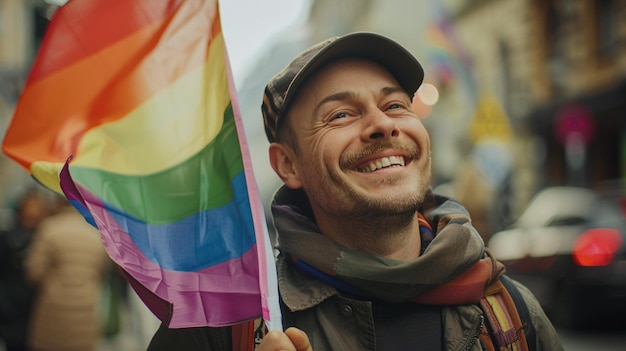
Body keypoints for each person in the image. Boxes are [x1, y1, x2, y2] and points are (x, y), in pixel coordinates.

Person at [148, 32, 563, 350]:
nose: (383, 124)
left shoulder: (511, 311)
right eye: (341, 114)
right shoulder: (219, 324)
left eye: (396, 105)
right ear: (288, 164)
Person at [24, 197, 110, 351]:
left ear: (59, 204)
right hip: (85, 307)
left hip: (53, 311)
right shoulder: (97, 232)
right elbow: (102, 271)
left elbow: (34, 272)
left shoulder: (49, 227)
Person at [0, 190, 49, 351]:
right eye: (29, 209)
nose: (32, 214)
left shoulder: (46, 238)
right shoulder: (7, 238)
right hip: (11, 311)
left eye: (37, 210)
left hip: (39, 309)